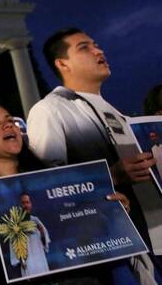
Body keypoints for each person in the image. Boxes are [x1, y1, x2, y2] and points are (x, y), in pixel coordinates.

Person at [0, 100, 128, 285]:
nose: (8, 124)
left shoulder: (60, 179)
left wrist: (114, 210)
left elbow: (87, 228)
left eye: (10, 120)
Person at [26, 28, 162, 260]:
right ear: (62, 64)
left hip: (153, 237)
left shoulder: (117, 114)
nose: (98, 50)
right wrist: (113, 176)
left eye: (96, 44)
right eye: (84, 47)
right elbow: (45, 187)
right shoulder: (50, 109)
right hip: (115, 245)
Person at [9, 193, 49, 277]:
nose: (26, 205)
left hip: (40, 259)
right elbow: (14, 245)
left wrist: (42, 233)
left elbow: (45, 244)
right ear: (19, 205)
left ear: (31, 204)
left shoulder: (36, 220)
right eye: (23, 203)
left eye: (27, 202)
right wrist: (22, 261)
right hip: (28, 263)